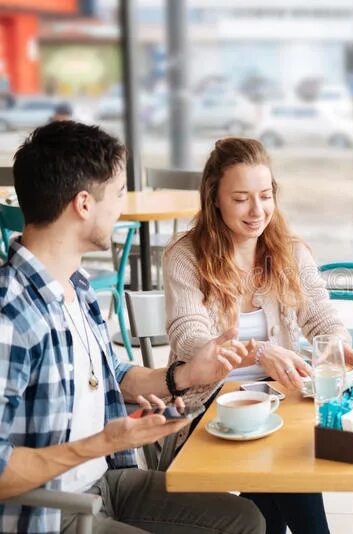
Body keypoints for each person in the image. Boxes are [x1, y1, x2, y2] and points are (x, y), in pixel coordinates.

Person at [0, 121, 266, 533]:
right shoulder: (10, 314)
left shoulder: (76, 286)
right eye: (119, 193)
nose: (122, 208)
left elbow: (110, 374)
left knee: (243, 520)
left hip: (105, 481)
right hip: (50, 511)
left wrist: (184, 376)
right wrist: (103, 442)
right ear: (84, 204)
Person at [162, 137, 353, 534]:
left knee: (279, 470)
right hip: (211, 407)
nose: (257, 211)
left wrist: (336, 346)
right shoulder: (184, 256)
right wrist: (260, 353)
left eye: (265, 195)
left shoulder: (289, 251)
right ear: (214, 199)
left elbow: (323, 318)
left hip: (278, 404)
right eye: (240, 199)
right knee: (286, 470)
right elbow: (190, 339)